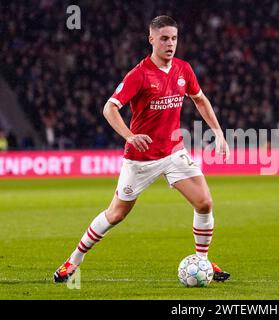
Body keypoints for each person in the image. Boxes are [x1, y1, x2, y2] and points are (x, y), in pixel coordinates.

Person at [54, 16, 231, 283]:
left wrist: (218, 131)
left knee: (204, 203)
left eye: (173, 38)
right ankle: (73, 261)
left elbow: (200, 99)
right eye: (164, 39)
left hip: (173, 153)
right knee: (116, 214)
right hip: (140, 160)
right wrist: (129, 135)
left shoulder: (184, 70)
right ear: (152, 40)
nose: (170, 43)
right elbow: (109, 108)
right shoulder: (139, 74)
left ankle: (203, 262)